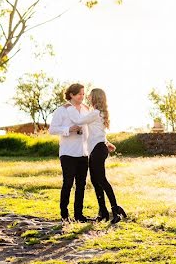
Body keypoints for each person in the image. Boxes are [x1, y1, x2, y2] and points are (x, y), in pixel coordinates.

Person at [65, 88, 127, 224]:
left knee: (101, 180)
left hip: (98, 149)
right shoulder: (99, 113)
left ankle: (115, 210)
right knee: (95, 180)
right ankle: (103, 212)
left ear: (95, 98)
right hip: (97, 148)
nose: (87, 97)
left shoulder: (95, 113)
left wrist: (70, 107)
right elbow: (98, 132)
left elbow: (79, 120)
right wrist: (106, 142)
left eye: (90, 96)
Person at [48, 83, 90, 222]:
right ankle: (64, 214)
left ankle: (79, 214)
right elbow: (52, 129)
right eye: (80, 94)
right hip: (68, 152)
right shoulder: (62, 110)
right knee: (68, 183)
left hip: (83, 152)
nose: (82, 97)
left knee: (81, 184)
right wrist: (68, 129)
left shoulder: (86, 109)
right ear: (71, 95)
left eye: (84, 94)